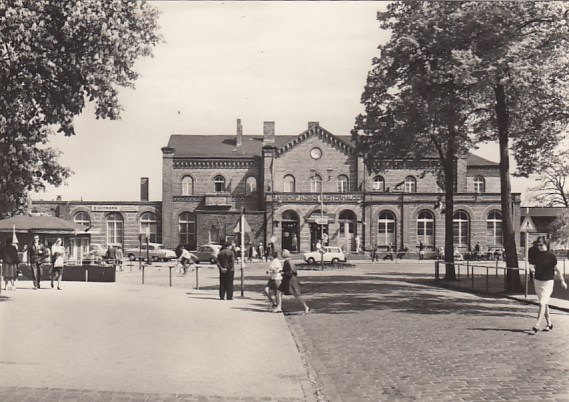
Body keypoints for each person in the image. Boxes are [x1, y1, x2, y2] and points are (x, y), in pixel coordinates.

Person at [529, 237, 567, 334]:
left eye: (541, 245)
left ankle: (537, 325)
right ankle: (549, 323)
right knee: (544, 304)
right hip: (538, 282)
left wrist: (562, 281)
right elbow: (532, 265)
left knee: (542, 303)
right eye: (538, 245)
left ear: (546, 244)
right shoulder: (536, 255)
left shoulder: (551, 256)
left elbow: (557, 269)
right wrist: (532, 268)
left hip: (548, 282)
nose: (539, 247)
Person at [278, 249, 310, 314]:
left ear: (284, 255)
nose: (281, 255)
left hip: (290, 281)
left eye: (282, 254)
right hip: (288, 280)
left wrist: (283, 273)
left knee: (296, 295)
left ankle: (306, 307)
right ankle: (279, 307)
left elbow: (291, 272)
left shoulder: (288, 262)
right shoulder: (289, 261)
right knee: (279, 292)